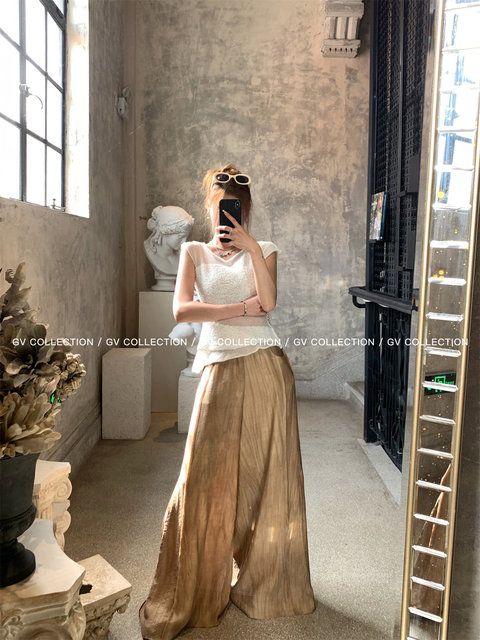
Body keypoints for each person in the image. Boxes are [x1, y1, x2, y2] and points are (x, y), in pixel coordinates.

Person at [138, 163, 316, 640]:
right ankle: (199, 583)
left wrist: (253, 248)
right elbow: (182, 309)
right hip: (218, 366)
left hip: (266, 367)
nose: (227, 215)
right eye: (220, 208)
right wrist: (238, 308)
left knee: (266, 475)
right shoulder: (193, 252)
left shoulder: (266, 250)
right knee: (204, 476)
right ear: (209, 208)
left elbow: (269, 303)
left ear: (246, 209)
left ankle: (265, 580)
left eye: (234, 208)